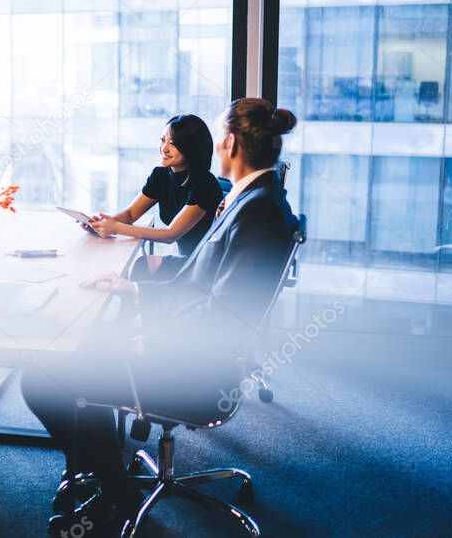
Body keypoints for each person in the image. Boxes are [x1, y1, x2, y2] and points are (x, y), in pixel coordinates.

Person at [21, 99, 299, 531]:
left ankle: (115, 495)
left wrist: (144, 337)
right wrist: (132, 288)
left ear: (229, 144)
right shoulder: (257, 199)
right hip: (193, 347)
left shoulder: (258, 213)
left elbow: (221, 315)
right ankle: (101, 472)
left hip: (197, 369)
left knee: (43, 377)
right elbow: (202, 284)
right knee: (76, 350)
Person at [85, 114, 223, 281]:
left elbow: (171, 234)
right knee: (137, 266)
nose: (164, 148)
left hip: (204, 266)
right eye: (162, 140)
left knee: (140, 267)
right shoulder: (161, 176)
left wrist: (115, 228)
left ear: (191, 148)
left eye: (172, 144)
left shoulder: (204, 184)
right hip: (186, 260)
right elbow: (130, 215)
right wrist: (99, 224)